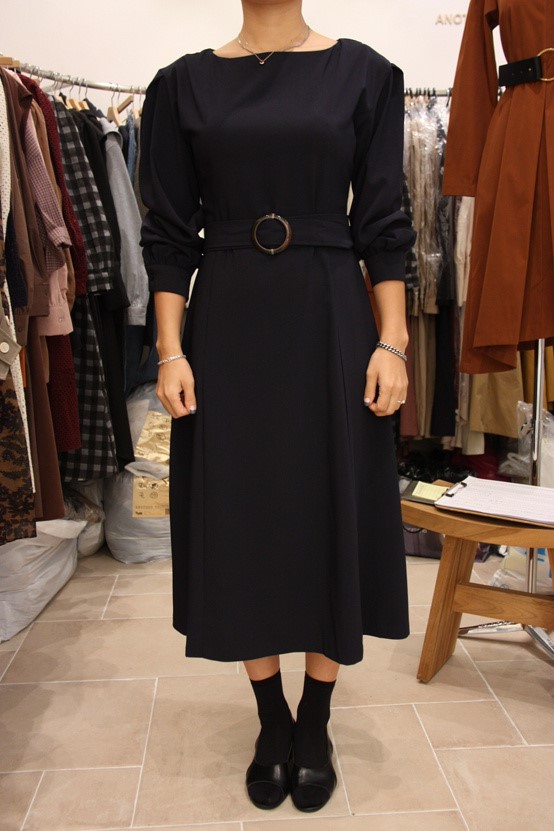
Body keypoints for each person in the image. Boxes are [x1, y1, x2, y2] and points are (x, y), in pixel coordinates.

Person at [140, 0, 415, 814]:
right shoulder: (181, 86)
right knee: (241, 516)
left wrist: (394, 340)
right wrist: (170, 349)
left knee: (332, 506)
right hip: (227, 324)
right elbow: (167, 236)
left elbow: (385, 221)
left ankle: (316, 717)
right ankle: (270, 717)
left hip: (332, 319)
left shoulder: (365, 74)